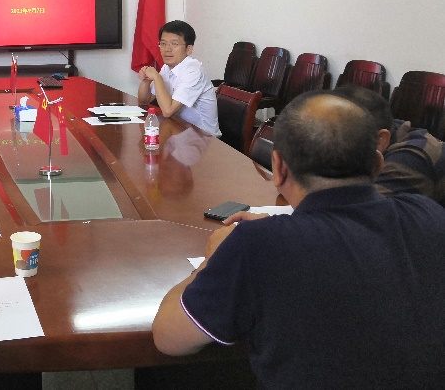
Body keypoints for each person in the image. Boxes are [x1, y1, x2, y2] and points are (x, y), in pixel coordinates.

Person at [151, 91, 445, 388]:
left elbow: (168, 338)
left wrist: (212, 259)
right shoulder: (429, 215)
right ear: (378, 165)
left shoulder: (256, 244)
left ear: (278, 168)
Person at [332, 84, 445, 204]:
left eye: (330, 133)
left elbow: (355, 209)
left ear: (380, 140)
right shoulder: (381, 129)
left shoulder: (412, 157)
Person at [137, 20, 220, 136]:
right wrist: (146, 80)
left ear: (189, 49)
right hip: (180, 130)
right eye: (163, 43)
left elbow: (168, 111)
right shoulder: (167, 67)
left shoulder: (193, 71)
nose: (167, 49)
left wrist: (156, 77)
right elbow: (144, 101)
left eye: (174, 44)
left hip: (203, 138)